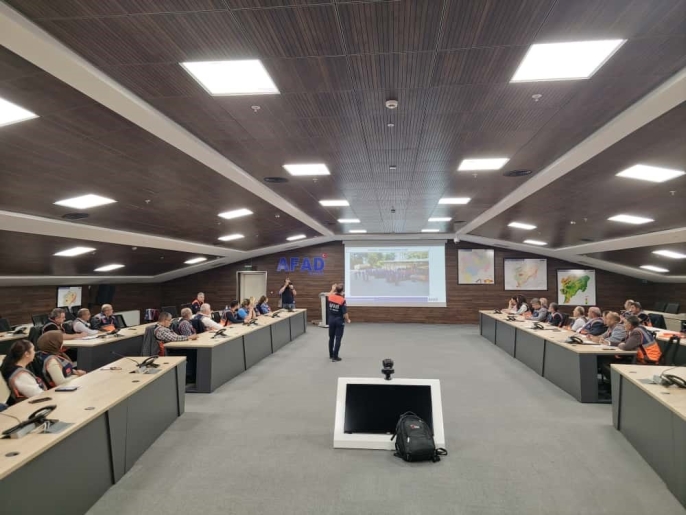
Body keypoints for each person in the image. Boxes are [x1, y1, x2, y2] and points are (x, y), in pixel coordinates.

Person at [327, 283, 350, 362]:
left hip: (331, 320)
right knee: (338, 338)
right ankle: (335, 356)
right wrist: (348, 320)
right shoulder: (342, 300)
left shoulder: (331, 297)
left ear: (336, 290)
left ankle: (331, 354)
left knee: (331, 338)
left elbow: (329, 294)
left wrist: (332, 289)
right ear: (342, 291)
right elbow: (345, 313)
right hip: (339, 321)